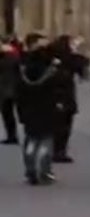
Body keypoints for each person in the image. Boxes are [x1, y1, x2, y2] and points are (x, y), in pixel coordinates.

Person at [17, 34, 59, 185]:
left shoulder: (23, 70)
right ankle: (44, 171)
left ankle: (30, 169)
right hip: (46, 108)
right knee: (46, 139)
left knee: (31, 139)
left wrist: (20, 110)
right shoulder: (50, 70)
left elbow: (19, 92)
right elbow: (57, 90)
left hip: (29, 108)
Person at [48, 35, 84, 164]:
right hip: (63, 94)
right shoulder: (66, 59)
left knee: (59, 123)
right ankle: (59, 150)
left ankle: (58, 149)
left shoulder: (54, 56)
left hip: (57, 94)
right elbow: (81, 65)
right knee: (64, 124)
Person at [0, 39, 21, 144]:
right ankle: (11, 135)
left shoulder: (8, 57)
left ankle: (12, 135)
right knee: (8, 114)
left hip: (6, 89)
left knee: (8, 113)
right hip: (10, 88)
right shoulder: (13, 56)